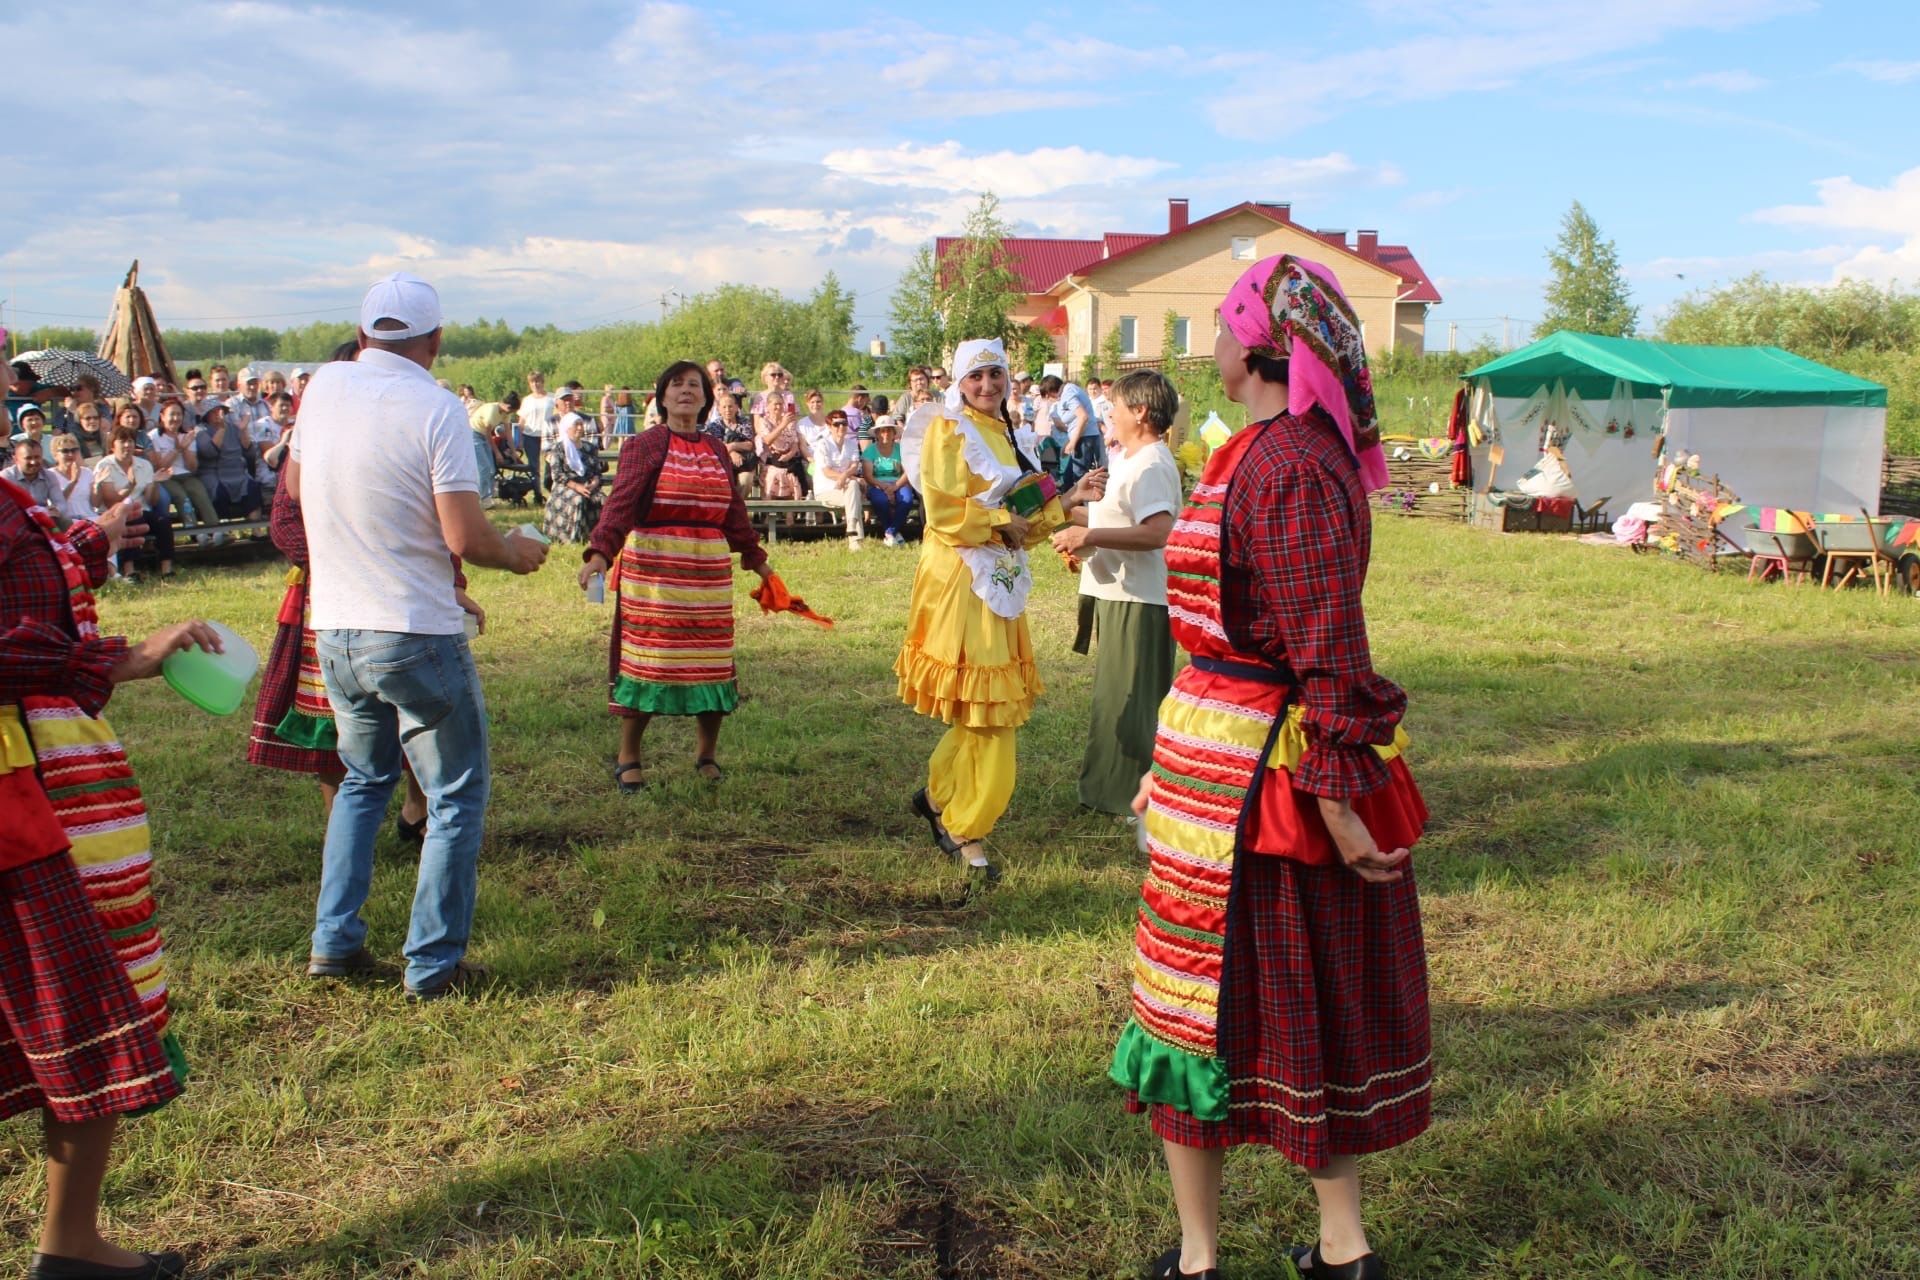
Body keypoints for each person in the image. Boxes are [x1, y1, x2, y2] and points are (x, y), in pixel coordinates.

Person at [1108, 256, 1430, 1280]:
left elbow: (1326, 641)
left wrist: (1337, 797)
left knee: (1250, 996)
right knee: (1279, 997)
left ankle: (1224, 1256)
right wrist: (1173, 757)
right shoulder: (1269, 449)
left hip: (1260, 772)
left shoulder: (1286, 460)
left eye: (1219, 317)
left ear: (1257, 343)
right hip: (1219, 747)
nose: (1208, 335)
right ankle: (1318, 1248)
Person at [287, 272, 549, 1000]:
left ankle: (333, 944)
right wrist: (515, 552)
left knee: (363, 784)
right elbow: (465, 533)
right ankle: (433, 965)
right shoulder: (436, 409)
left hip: (335, 626)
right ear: (435, 342)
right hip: (413, 629)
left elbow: (292, 492)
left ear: (365, 331)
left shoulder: (323, 389)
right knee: (455, 794)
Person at [2, 412, 220, 1278]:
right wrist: (123, 660)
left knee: (79, 1001)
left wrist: (89, 539)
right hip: (24, 794)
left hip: (44, 774)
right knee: (79, 997)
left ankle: (73, 1246)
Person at [896, 338, 1064, 888]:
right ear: (959, 382)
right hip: (960, 580)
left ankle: (941, 798)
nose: (987, 386)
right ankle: (965, 827)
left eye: (995, 375)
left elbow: (1025, 516)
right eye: (976, 378)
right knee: (992, 711)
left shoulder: (1009, 435)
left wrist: (1063, 502)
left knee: (986, 706)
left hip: (997, 580)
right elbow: (942, 507)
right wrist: (999, 523)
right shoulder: (948, 429)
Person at [579, 361, 775, 792]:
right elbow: (620, 505)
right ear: (662, 395)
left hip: (706, 573)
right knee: (648, 661)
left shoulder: (717, 450)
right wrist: (599, 554)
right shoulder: (643, 446)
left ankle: (706, 754)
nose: (685, 391)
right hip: (654, 572)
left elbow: (734, 514)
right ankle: (629, 756)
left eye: (694, 385)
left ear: (707, 398)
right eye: (676, 384)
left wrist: (757, 560)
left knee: (712, 663)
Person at [1049, 370, 1181, 815]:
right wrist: (1069, 521)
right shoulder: (1131, 460)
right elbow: (1117, 520)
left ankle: (1131, 798)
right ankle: (1107, 790)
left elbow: (1157, 531)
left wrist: (1090, 538)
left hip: (1139, 601)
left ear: (1140, 413)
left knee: (1133, 701)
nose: (1109, 414)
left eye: (1116, 407)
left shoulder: (1154, 463)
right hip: (1119, 595)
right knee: (1114, 699)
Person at [93, 426, 176, 579]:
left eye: (130, 441)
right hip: (116, 512)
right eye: (122, 441)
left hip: (141, 509)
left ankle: (167, 568)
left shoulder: (144, 465)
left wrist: (155, 483)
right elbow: (110, 500)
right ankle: (129, 570)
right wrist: (130, 485)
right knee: (130, 518)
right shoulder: (104, 465)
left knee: (163, 520)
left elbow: (152, 500)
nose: (127, 445)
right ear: (113, 446)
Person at [148, 400, 214, 532]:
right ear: (162, 416)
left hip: (187, 475)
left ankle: (216, 530)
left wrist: (185, 449)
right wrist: (177, 449)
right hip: (166, 477)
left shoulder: (187, 436)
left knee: (200, 494)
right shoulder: (154, 436)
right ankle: (195, 532)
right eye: (172, 414)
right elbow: (159, 466)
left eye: (179, 414)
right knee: (182, 497)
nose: (176, 418)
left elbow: (192, 467)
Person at [542, 412, 605, 544]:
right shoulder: (558, 448)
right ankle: (573, 539)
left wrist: (595, 482)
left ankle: (599, 537)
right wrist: (577, 487)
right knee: (578, 499)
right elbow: (557, 475)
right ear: (567, 427)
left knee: (603, 500)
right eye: (576, 425)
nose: (580, 428)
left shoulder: (590, 448)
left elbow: (597, 472)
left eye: (581, 425)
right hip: (565, 487)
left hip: (587, 485)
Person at [193, 401, 261, 520]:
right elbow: (209, 452)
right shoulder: (200, 430)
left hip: (238, 472)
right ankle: (223, 529)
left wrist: (243, 430)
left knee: (253, 488)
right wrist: (221, 429)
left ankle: (256, 529)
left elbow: (249, 452)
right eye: (214, 412)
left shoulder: (234, 427)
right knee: (219, 493)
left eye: (221, 411)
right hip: (213, 472)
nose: (219, 414)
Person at [1037, 374, 1107, 487]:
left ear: (1050, 392)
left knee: (1078, 477)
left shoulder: (1067, 394)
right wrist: (1068, 443)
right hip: (1082, 437)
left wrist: (1073, 443)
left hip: (1085, 439)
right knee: (1068, 478)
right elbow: (1074, 423)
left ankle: (1080, 503)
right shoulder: (1069, 390)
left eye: (1047, 396)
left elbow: (1083, 416)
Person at [811, 408, 865, 549]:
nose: (841, 427)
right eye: (836, 424)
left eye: (844, 423)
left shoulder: (851, 443)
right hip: (826, 489)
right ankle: (855, 539)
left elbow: (854, 465)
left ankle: (851, 527)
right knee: (854, 494)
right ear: (829, 427)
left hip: (846, 486)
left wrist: (845, 477)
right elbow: (826, 472)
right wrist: (844, 478)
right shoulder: (822, 445)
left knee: (853, 489)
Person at [862, 415, 916, 546]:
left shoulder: (901, 449)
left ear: (894, 433)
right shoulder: (870, 451)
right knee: (880, 500)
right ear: (876, 433)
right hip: (877, 484)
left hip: (899, 483)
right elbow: (868, 476)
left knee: (907, 499)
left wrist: (895, 487)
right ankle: (894, 533)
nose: (885, 434)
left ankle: (890, 532)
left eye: (888, 430)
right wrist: (885, 487)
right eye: (882, 430)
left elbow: (908, 471)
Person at [757, 394, 810, 500]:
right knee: (775, 473)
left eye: (781, 404)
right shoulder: (764, 421)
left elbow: (795, 442)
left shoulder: (789, 421)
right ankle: (768, 511)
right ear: (768, 406)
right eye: (775, 404)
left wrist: (789, 455)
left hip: (789, 459)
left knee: (791, 473)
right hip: (771, 458)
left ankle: (791, 514)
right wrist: (782, 425)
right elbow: (768, 440)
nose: (778, 407)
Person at [517, 371, 556, 501]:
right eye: (533, 382)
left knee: (551, 463)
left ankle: (550, 488)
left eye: (538, 381)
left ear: (543, 382)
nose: (536, 384)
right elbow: (521, 420)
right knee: (534, 466)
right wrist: (519, 439)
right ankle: (537, 494)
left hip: (549, 435)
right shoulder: (527, 400)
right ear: (529, 384)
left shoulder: (552, 398)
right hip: (531, 435)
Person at [46, 434, 98, 527]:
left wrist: (98, 485)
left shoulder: (87, 472)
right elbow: (57, 503)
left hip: (90, 518)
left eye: (74, 450)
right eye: (65, 451)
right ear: (55, 455)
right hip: (66, 522)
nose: (71, 454)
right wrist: (73, 481)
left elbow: (95, 503)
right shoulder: (50, 475)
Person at [3, 436, 57, 509]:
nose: (33, 462)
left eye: (37, 457)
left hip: (43, 516)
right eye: (28, 458)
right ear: (15, 459)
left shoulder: (49, 475)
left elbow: (60, 504)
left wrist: (53, 510)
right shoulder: (6, 478)